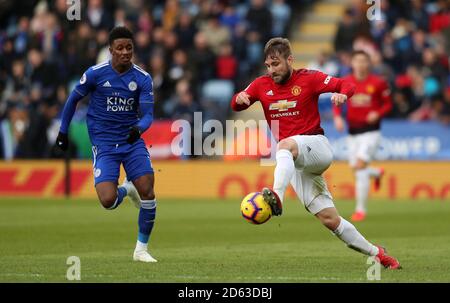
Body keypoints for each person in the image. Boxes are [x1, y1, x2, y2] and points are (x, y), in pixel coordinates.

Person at [230, 38, 400, 269]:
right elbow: (237, 105)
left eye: (276, 64)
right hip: (297, 162)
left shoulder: (309, 78)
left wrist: (343, 95)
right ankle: (378, 253)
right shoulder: (261, 84)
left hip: (317, 147)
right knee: (330, 220)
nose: (271, 70)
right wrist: (239, 100)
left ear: (290, 60)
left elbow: (347, 86)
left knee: (283, 146)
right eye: (268, 66)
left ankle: (276, 196)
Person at [55, 26, 157, 263]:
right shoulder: (95, 74)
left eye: (129, 48)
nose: (124, 52)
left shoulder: (142, 78)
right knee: (108, 200)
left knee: (148, 189)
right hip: (104, 144)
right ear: (110, 50)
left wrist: (138, 129)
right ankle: (126, 190)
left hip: (131, 142)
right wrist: (62, 133)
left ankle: (141, 250)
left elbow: (149, 115)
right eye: (119, 48)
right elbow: (73, 100)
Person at [333, 50, 393, 222]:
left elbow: (388, 104)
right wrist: (337, 117)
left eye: (363, 61)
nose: (360, 64)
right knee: (356, 168)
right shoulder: (346, 82)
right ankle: (375, 173)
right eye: (357, 61)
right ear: (352, 63)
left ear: (369, 63)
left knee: (359, 167)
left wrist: (378, 113)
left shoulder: (378, 83)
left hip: (371, 132)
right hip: (352, 133)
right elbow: (337, 100)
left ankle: (360, 210)